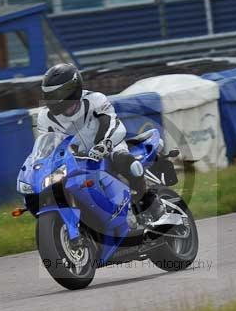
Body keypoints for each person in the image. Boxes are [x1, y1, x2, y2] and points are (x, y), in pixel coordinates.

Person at [37, 62, 175, 229]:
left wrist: (105, 145)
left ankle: (150, 203)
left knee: (126, 162)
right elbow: (45, 144)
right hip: (76, 159)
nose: (54, 99)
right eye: (50, 95)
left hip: (109, 146)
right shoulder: (45, 117)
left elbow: (112, 123)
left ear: (72, 89)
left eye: (57, 93)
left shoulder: (95, 100)